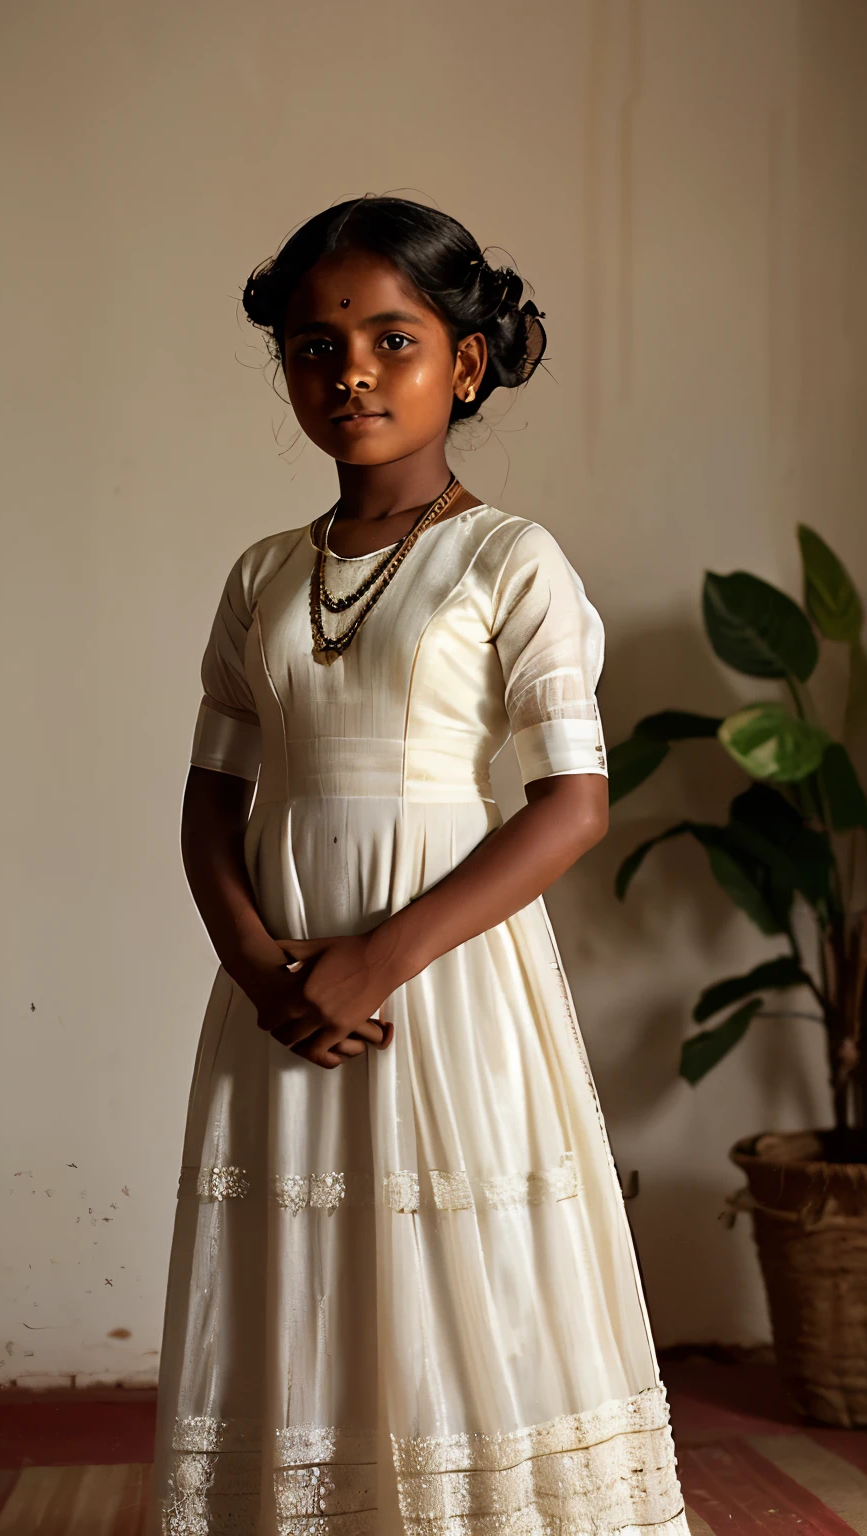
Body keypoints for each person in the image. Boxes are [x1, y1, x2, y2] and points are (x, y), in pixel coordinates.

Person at [149, 195, 689, 1536]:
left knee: (462, 1259)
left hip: (438, 973)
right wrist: (263, 965)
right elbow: (210, 799)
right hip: (277, 978)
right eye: (315, 345)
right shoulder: (263, 574)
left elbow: (571, 806)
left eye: (394, 339)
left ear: (473, 360)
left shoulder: (511, 561)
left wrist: (373, 962)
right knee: (303, 1259)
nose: (351, 374)